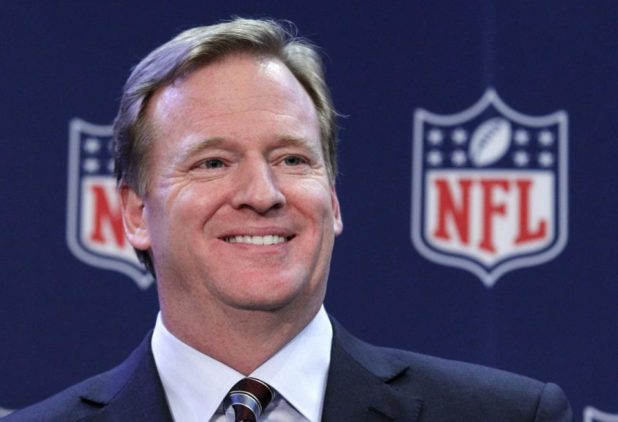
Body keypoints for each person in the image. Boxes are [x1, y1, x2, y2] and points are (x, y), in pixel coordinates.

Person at [4, 17, 572, 422]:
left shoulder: (509, 415)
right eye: (213, 162)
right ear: (135, 213)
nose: (263, 193)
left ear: (333, 199)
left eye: (292, 160)